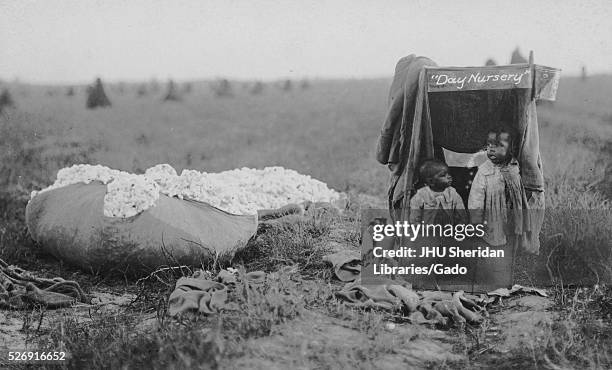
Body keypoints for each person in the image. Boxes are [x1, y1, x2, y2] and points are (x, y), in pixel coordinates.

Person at [468, 126, 530, 246]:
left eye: (498, 145)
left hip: (513, 212)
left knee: (513, 235)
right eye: (489, 144)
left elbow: (520, 192)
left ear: (511, 148)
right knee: (494, 240)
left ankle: (513, 251)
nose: (491, 149)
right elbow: (476, 198)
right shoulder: (484, 171)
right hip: (494, 216)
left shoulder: (514, 166)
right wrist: (476, 220)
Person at [409, 159, 468, 225]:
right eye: (443, 175)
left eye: (448, 174)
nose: (449, 177)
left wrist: (460, 227)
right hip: (428, 232)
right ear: (431, 181)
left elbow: (462, 215)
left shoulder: (452, 193)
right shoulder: (421, 195)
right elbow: (414, 218)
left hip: (448, 231)